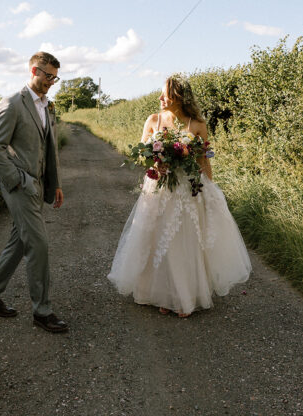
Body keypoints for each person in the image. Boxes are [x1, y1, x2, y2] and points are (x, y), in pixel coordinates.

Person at [108, 75, 252, 317]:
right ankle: (162, 294)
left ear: (179, 96)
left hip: (187, 189)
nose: (160, 98)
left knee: (182, 241)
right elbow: (142, 153)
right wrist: (155, 165)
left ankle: (184, 296)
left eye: (165, 94)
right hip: (160, 188)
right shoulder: (153, 120)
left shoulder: (196, 124)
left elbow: (203, 160)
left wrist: (210, 191)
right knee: (157, 239)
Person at [0, 52, 68, 333]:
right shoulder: (12, 103)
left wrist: (55, 184)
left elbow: (49, 148)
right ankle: (42, 311)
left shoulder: (47, 106)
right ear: (34, 70)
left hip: (39, 185)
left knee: (19, 242)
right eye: (48, 76)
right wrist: (17, 181)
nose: (52, 82)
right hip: (20, 185)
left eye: (55, 77)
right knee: (38, 245)